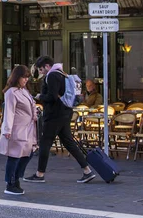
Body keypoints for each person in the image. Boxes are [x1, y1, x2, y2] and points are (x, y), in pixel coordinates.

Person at [24, 55, 96, 184]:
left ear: (47, 66)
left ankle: (40, 174)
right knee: (68, 142)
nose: (40, 72)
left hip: (54, 115)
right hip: (65, 112)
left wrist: (40, 96)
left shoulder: (52, 76)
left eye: (41, 69)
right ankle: (87, 170)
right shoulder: (63, 74)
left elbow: (52, 97)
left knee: (45, 143)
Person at [0, 65, 37, 195]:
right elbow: (9, 112)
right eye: (24, 77)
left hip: (28, 129)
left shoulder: (24, 90)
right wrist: (7, 130)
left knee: (27, 153)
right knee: (15, 156)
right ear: (17, 77)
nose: (26, 80)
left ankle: (15, 178)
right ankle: (11, 182)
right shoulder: (11, 92)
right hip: (17, 129)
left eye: (27, 77)